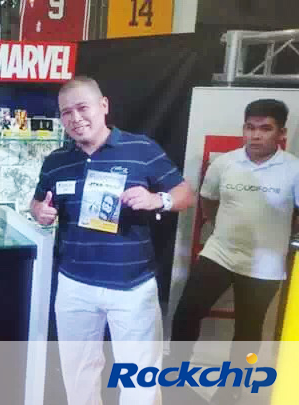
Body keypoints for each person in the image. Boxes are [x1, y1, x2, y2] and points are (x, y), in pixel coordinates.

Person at [30, 76, 195, 405]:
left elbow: (185, 194)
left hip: (132, 287)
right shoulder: (57, 161)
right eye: (66, 112)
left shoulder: (141, 149)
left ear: (103, 105)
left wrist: (157, 200)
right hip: (75, 285)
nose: (75, 118)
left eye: (82, 108)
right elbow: (37, 202)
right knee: (78, 374)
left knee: (140, 378)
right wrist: (39, 212)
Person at [170, 99, 299, 404]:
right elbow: (208, 200)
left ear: (281, 133)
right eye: (250, 128)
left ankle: (232, 390)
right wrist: (220, 227)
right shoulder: (224, 163)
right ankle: (176, 377)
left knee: (249, 332)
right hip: (219, 254)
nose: (255, 135)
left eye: (265, 129)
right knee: (186, 314)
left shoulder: (293, 169)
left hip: (264, 266)